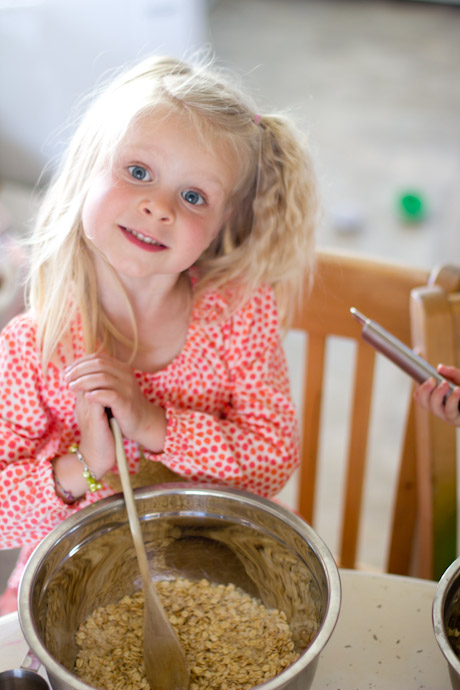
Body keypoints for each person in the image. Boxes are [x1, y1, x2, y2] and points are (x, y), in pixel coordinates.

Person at [0, 55, 318, 612]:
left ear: (224, 226)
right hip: (71, 585)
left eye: (194, 197)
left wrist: (153, 423)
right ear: (85, 169)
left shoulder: (238, 315)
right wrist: (89, 466)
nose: (158, 206)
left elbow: (272, 460)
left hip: (217, 568)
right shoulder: (34, 345)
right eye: (139, 172)